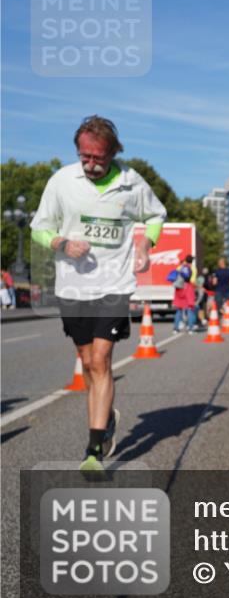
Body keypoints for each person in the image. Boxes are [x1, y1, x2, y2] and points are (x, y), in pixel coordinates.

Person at [29, 115, 166, 476]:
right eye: (84, 156)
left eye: (98, 158)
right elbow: (39, 228)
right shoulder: (62, 181)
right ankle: (105, 420)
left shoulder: (130, 182)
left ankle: (93, 450)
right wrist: (61, 242)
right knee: (88, 362)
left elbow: (155, 215)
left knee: (102, 359)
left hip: (114, 284)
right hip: (73, 285)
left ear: (113, 152)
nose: (90, 165)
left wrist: (145, 243)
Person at [171, 255, 196, 334]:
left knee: (179, 310)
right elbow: (192, 280)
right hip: (188, 288)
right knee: (190, 309)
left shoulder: (180, 267)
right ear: (192, 261)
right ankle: (190, 329)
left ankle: (175, 328)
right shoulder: (193, 268)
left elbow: (175, 276)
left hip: (179, 289)